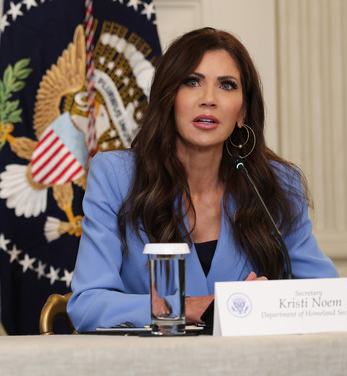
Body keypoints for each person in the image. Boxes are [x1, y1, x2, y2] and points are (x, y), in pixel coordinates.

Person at [66, 27, 337, 332]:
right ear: (169, 97)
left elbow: (324, 297)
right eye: (192, 82)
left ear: (242, 112)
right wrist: (185, 307)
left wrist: (266, 302)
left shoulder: (277, 184)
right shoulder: (116, 176)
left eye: (227, 85)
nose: (209, 99)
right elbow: (87, 305)